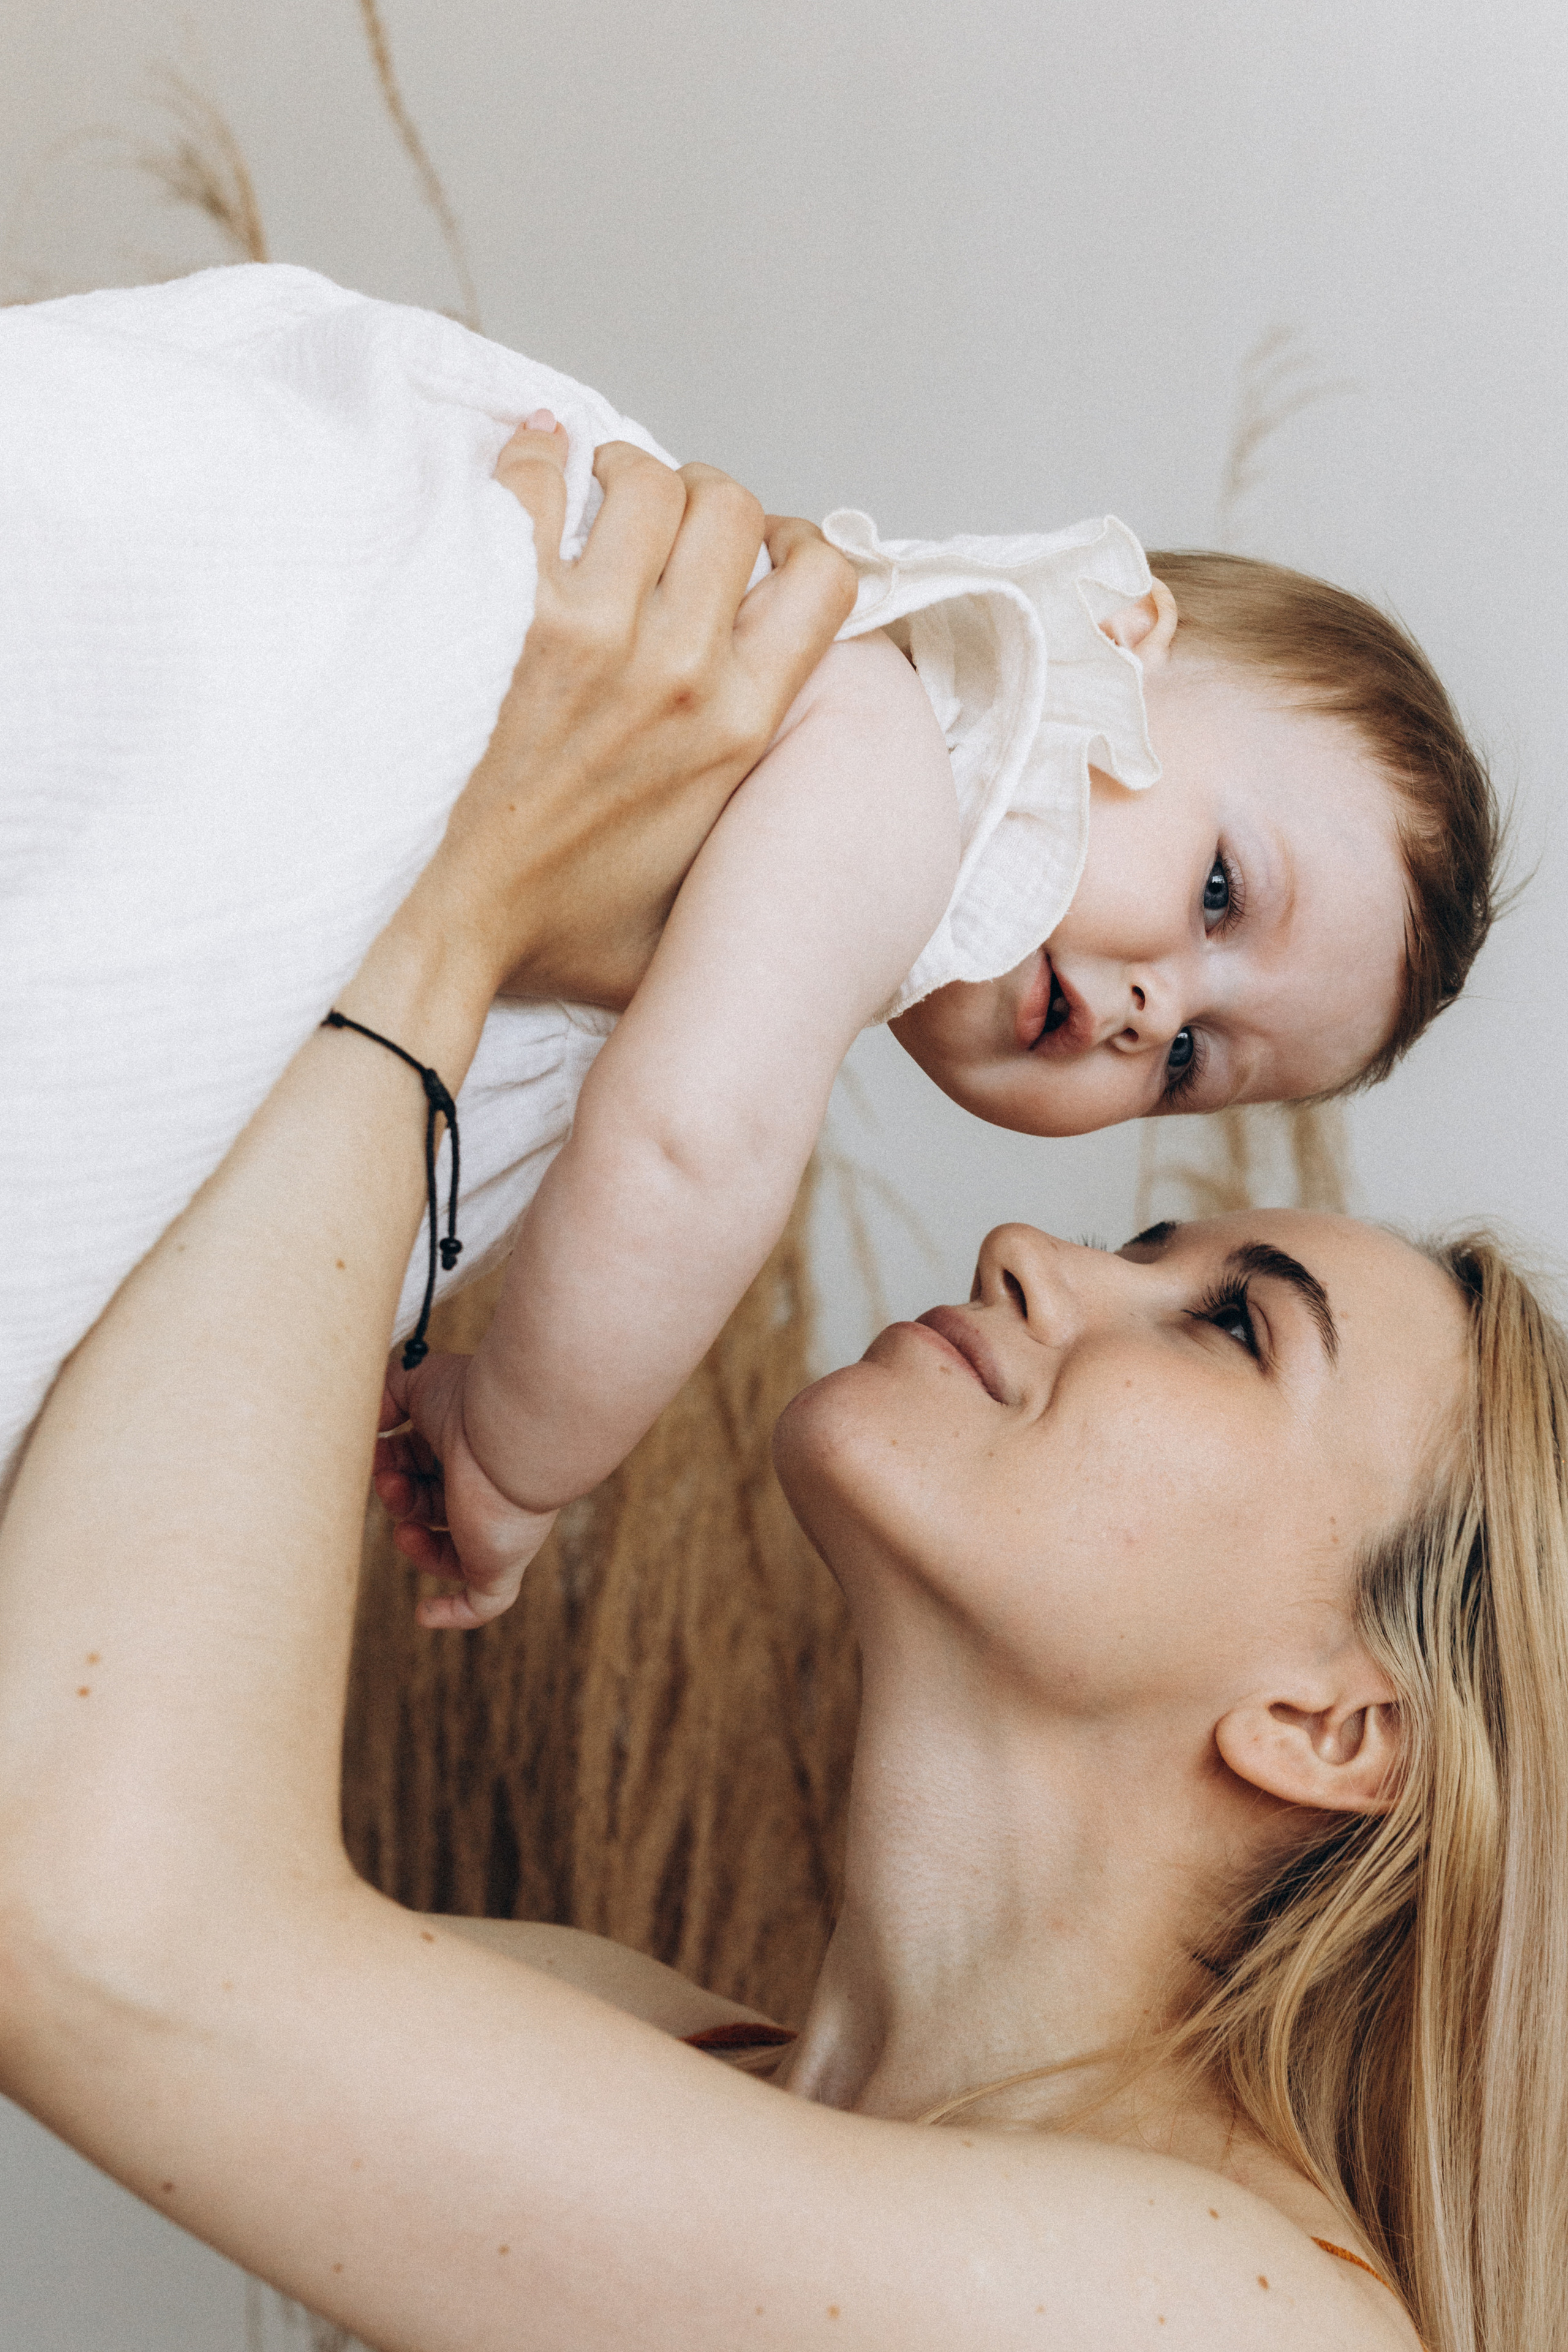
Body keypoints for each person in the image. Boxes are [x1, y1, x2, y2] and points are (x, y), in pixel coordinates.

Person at [0, 432, 1559, 2350]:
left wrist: (455, 895)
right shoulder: (638, 2045)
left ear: (1333, 1723)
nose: (1031, 1249)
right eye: (1154, 1250)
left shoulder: (1227, 2319)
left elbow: (105, 1926)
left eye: (1235, 1330)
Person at [1, 268, 1500, 1637]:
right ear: (1117, 640)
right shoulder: (888, 759)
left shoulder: (787, 826)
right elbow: (688, 1150)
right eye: (1220, 892)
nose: (1146, 1008)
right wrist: (513, 1452)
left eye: (1187, 1060)